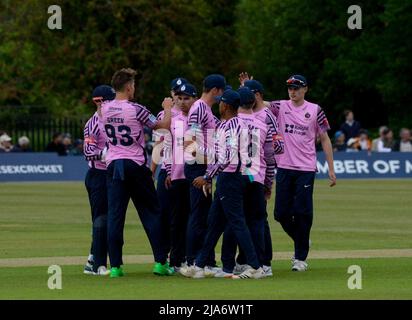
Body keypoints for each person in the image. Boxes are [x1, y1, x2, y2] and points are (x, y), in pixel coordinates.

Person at [181, 89, 265, 279]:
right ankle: (200, 265)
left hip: (231, 178)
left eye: (221, 102)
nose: (218, 104)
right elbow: (218, 154)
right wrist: (196, 149)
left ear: (226, 105)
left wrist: (208, 176)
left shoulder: (231, 126)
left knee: (236, 222)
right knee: (215, 223)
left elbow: (228, 156)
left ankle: (255, 266)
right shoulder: (228, 125)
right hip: (229, 177)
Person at [101, 68, 174, 278]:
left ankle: (115, 267)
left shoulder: (104, 109)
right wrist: (167, 108)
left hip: (114, 165)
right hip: (134, 164)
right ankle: (160, 262)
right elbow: (162, 127)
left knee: (116, 216)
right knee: (151, 213)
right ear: (129, 87)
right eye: (134, 85)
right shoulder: (136, 109)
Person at [267, 74, 336, 272]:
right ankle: (302, 239)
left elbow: (324, 139)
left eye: (297, 88)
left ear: (305, 89)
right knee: (280, 213)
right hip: (284, 167)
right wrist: (247, 88)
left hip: (305, 168)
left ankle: (300, 257)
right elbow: (258, 103)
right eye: (290, 88)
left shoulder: (315, 110)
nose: (292, 91)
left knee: (303, 212)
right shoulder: (279, 107)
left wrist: (331, 168)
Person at [218, 86, 277, 278]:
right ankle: (260, 264)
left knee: (234, 221)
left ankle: (229, 265)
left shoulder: (233, 123)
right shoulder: (262, 124)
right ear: (253, 103)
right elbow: (270, 157)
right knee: (257, 222)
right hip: (257, 177)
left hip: (237, 175)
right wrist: (269, 183)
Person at [182, 74, 225, 270]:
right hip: (197, 166)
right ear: (215, 90)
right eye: (222, 91)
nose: (222, 96)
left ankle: (204, 261)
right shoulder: (199, 108)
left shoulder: (205, 109)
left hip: (203, 165)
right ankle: (193, 260)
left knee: (204, 215)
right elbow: (191, 143)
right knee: (198, 215)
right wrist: (211, 160)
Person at [151, 77, 187, 270]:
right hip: (167, 171)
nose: (179, 99)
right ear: (171, 94)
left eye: (183, 95)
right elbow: (158, 146)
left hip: (186, 174)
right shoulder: (164, 115)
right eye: (176, 94)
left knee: (182, 218)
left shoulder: (193, 114)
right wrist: (152, 172)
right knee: (163, 216)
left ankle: (180, 257)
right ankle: (162, 257)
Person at [163, 83, 197, 272]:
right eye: (180, 98)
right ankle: (176, 260)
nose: (183, 102)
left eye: (187, 98)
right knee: (178, 220)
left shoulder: (199, 118)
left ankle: (194, 258)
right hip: (177, 175)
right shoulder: (174, 120)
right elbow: (167, 147)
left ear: (194, 99)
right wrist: (168, 171)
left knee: (197, 219)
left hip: (196, 176)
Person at [82, 84, 115, 276]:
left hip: (111, 175)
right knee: (101, 219)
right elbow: (88, 152)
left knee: (109, 219)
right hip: (98, 176)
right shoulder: (93, 123)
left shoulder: (114, 120)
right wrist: (108, 153)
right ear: (101, 102)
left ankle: (93, 258)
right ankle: (96, 264)